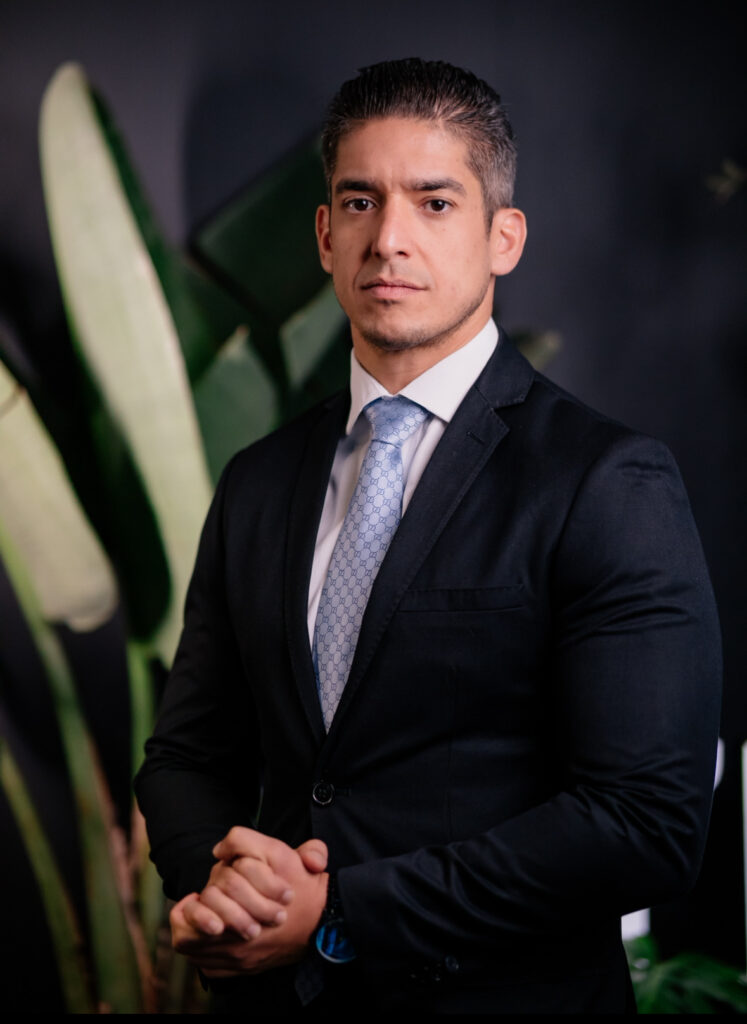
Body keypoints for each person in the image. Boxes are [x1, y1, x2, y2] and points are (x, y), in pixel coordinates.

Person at [134, 58, 722, 1014]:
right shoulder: (258, 481)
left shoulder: (605, 480)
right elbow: (188, 757)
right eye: (359, 202)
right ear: (324, 236)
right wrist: (231, 896)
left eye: (434, 203)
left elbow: (644, 822)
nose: (388, 240)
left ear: (503, 238)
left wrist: (339, 913)